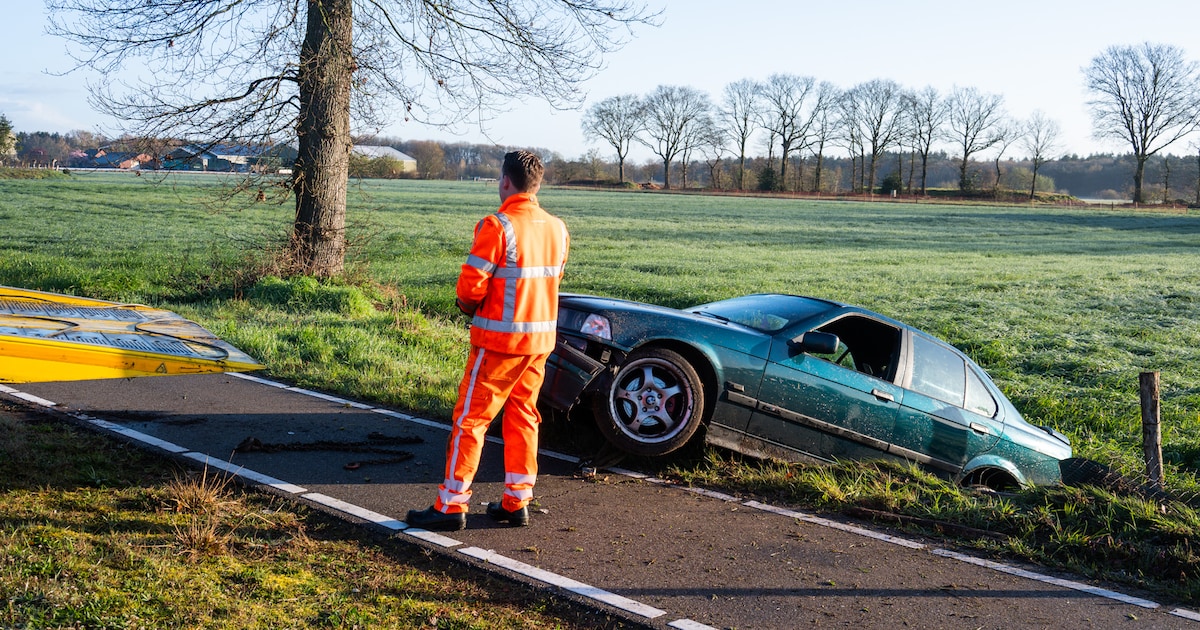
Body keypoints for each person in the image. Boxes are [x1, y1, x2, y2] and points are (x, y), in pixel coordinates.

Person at [407, 150, 569, 531]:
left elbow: (470, 286)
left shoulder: (498, 226)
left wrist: (467, 306)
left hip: (499, 344)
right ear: (538, 183)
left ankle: (450, 506)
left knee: (470, 422)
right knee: (524, 417)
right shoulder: (557, 228)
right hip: (539, 343)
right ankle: (517, 501)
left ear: (505, 181)